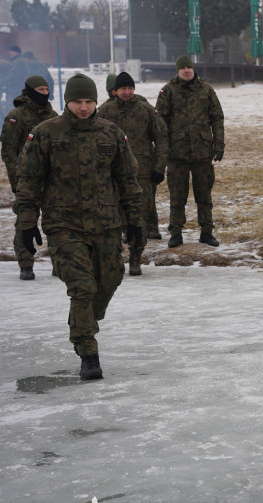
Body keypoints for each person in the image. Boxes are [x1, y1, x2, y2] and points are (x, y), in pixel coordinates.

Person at [15, 74, 144, 380]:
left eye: (89, 101)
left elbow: (128, 180)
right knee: (82, 287)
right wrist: (27, 222)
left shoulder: (111, 133)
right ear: (67, 102)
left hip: (107, 223)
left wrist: (136, 220)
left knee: (111, 279)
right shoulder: (45, 133)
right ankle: (88, 351)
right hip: (65, 225)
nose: (84, 107)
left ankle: (84, 320)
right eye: (77, 102)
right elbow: (29, 180)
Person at [97, 72, 168, 275]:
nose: (127, 92)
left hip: (142, 174)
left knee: (139, 217)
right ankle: (115, 258)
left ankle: (136, 257)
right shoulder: (105, 110)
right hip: (113, 174)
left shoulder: (145, 110)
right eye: (123, 89)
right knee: (114, 217)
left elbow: (162, 139)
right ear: (116, 91)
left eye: (130, 88)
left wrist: (158, 167)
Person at [156, 55, 225, 248]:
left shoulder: (206, 90)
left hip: (202, 152)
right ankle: (176, 232)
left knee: (204, 195)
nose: (187, 70)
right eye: (183, 67)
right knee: (177, 196)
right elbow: (159, 123)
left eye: (189, 67)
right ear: (177, 70)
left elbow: (217, 118)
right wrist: (163, 149)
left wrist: (219, 144)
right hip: (176, 154)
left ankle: (206, 231)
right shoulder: (168, 91)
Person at [2, 74, 57, 279]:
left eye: (46, 89)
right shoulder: (16, 116)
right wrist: (17, 180)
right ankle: (26, 264)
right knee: (25, 221)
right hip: (27, 180)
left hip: (51, 180)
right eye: (40, 90)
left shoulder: (52, 115)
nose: (45, 93)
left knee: (54, 220)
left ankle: (58, 261)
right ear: (31, 91)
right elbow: (8, 151)